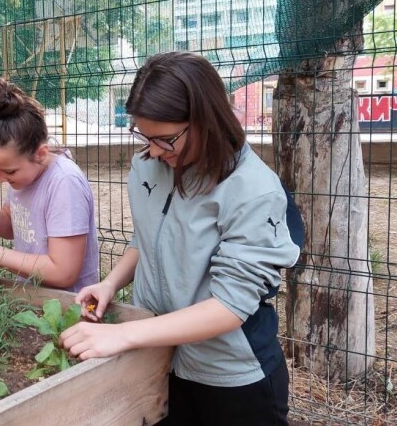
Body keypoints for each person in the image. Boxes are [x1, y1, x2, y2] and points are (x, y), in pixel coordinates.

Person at [59, 51, 300, 425]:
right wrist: (109, 283)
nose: (153, 150)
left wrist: (126, 336)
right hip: (160, 358)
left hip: (230, 376)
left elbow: (229, 307)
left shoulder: (253, 191)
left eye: (166, 139)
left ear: (207, 120)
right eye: (144, 135)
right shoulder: (149, 164)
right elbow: (147, 238)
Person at [0, 77, 99, 293]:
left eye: (8, 171)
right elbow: (13, 228)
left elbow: (63, 272)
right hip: (32, 300)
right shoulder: (25, 177)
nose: (0, 179)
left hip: (69, 308)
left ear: (41, 153)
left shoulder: (64, 183)